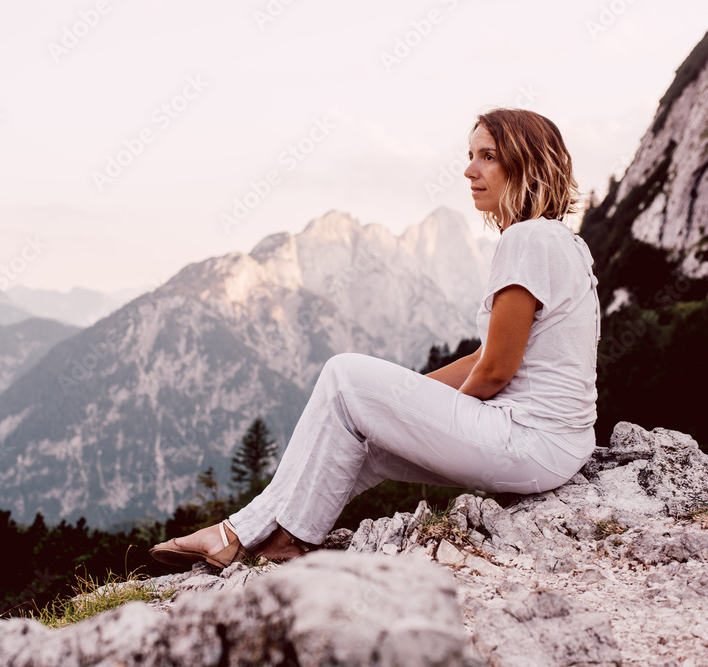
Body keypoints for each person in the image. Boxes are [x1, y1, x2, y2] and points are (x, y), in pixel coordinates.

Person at [150, 107, 601, 567]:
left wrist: (442, 417)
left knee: (343, 373)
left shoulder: (527, 241)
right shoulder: (562, 242)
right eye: (470, 156)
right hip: (556, 446)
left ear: (526, 163)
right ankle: (271, 540)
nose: (469, 170)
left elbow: (496, 370)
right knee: (362, 438)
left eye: (488, 157)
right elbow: (486, 357)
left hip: (530, 443)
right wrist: (411, 400)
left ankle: (239, 533)